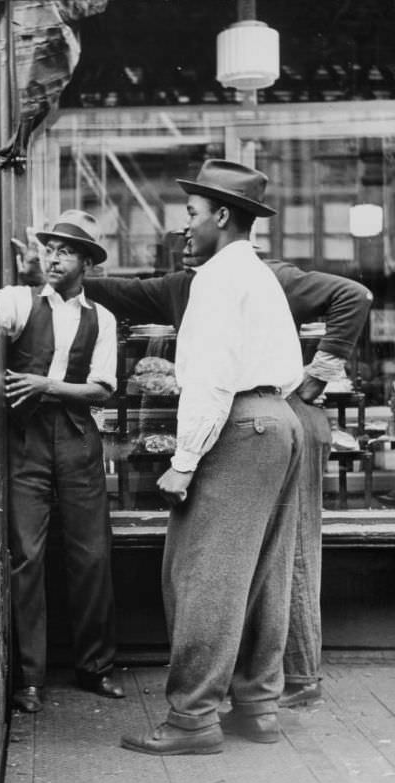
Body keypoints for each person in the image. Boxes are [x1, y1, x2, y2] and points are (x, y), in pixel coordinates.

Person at [83, 233, 372, 712]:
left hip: (270, 415)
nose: (185, 251)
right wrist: (82, 281)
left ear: (223, 229)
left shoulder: (264, 276)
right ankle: (261, 691)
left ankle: (291, 679)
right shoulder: (201, 281)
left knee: (273, 556)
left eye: (192, 234)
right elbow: (133, 292)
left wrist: (317, 374)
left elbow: (354, 295)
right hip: (265, 419)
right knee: (267, 559)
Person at [103, 158, 305, 755]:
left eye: (191, 214)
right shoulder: (258, 273)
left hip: (238, 426)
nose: (184, 227)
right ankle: (257, 705)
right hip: (280, 420)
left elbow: (212, 379)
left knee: (203, 575)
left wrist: (185, 459)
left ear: (221, 215)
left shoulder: (217, 278)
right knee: (264, 572)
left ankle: (192, 719)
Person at [0, 206, 124, 713]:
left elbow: (102, 390)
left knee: (91, 554)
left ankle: (96, 666)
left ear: (86, 261)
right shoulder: (17, 301)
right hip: (27, 441)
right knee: (26, 556)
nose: (54, 257)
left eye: (65, 251)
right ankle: (29, 677)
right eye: (49, 248)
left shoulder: (100, 318)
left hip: (79, 439)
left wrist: (47, 386)